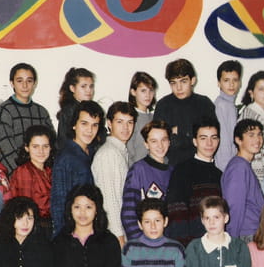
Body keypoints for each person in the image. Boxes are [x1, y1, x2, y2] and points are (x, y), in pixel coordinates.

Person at [50, 100, 105, 237]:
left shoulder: (92, 151)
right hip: (72, 233)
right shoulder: (66, 158)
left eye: (94, 125)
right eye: (84, 123)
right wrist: (64, 238)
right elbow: (59, 203)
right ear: (74, 125)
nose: (89, 130)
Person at [166, 116, 223, 247]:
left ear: (218, 140)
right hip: (191, 247)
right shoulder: (182, 170)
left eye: (213, 138)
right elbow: (176, 214)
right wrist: (187, 249)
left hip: (215, 244)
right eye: (203, 138)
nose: (209, 143)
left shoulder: (220, 175)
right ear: (195, 141)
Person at [0, 63, 54, 174]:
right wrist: (25, 175)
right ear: (12, 83)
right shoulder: (5, 110)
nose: (25, 85)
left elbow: (52, 145)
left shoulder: (41, 111)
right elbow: (6, 150)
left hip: (41, 174)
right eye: (20, 81)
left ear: (34, 83)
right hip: (15, 175)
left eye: (29, 81)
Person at [153, 58, 216, 167]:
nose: (179, 88)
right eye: (173, 83)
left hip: (200, 165)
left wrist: (178, 131)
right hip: (171, 167)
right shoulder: (163, 105)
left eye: (183, 81)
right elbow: (159, 142)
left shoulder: (204, 104)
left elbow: (210, 138)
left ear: (193, 80)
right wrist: (190, 134)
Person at [91, 101, 137, 247]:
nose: (125, 128)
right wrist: (119, 237)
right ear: (109, 123)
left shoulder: (119, 151)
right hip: (115, 235)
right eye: (120, 122)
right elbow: (110, 200)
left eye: (130, 122)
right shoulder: (109, 154)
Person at [120, 120, 174, 241]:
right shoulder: (138, 170)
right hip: (145, 243)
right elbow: (128, 214)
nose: (160, 146)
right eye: (154, 141)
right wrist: (140, 243)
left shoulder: (173, 171)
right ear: (146, 144)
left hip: (168, 242)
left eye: (164, 140)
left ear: (169, 142)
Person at [221, 119, 264, 241]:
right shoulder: (238, 168)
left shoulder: (243, 165)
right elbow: (234, 207)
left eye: (259, 134)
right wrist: (233, 241)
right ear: (238, 140)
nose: (257, 139)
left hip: (254, 231)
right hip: (246, 234)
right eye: (251, 135)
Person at [10, 125, 55, 240]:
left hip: (50, 228)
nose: (41, 151)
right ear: (27, 148)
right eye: (35, 147)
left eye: (45, 146)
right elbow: (25, 209)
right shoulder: (24, 171)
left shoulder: (50, 171)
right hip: (33, 230)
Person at [238, 70, 264, 200]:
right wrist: (258, 176)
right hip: (257, 173)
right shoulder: (251, 113)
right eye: (261, 89)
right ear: (251, 93)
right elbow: (248, 146)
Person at [56, 67, 105, 152]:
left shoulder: (93, 108)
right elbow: (63, 142)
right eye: (83, 86)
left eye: (91, 86)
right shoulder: (68, 111)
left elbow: (101, 133)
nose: (88, 90)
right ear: (72, 88)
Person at [213, 60, 243, 171]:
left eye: (235, 80)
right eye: (226, 80)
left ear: (239, 82)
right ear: (219, 83)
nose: (231, 84)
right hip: (225, 167)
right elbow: (224, 144)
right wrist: (228, 171)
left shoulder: (229, 105)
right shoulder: (221, 106)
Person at [127, 71, 158, 166]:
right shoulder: (131, 118)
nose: (148, 95)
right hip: (138, 169)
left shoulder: (154, 117)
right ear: (133, 92)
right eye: (143, 91)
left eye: (151, 90)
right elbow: (129, 152)